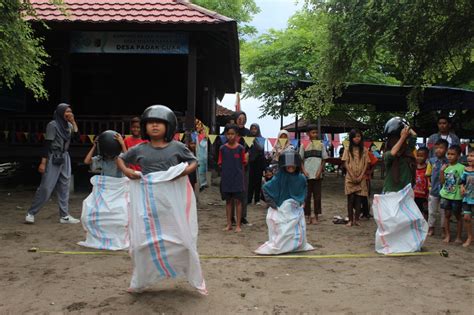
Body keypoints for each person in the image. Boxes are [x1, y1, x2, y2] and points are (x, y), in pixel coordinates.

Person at [25, 103, 80, 224]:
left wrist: (74, 121)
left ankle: (64, 216)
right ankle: (31, 213)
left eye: (70, 111)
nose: (69, 113)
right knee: (46, 187)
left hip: (65, 157)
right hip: (53, 156)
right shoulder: (53, 125)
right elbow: (47, 144)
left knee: (64, 186)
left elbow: (76, 138)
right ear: (60, 112)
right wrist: (43, 163)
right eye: (66, 111)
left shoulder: (69, 125)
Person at [117, 105, 197, 179]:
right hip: (148, 192)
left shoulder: (178, 147)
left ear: (168, 126)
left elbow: (194, 162)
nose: (154, 125)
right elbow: (120, 159)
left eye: (159, 122)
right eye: (150, 122)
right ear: (144, 128)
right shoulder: (139, 149)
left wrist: (182, 172)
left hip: (171, 191)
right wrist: (126, 171)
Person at [218, 124, 247, 232]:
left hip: (238, 178)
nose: (230, 136)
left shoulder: (240, 148)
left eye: (232, 134)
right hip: (226, 178)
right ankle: (229, 224)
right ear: (225, 135)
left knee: (238, 202)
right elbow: (220, 163)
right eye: (228, 134)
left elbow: (244, 163)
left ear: (237, 135)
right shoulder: (222, 148)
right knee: (228, 202)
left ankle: (238, 225)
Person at [299, 124, 328, 225]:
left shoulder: (321, 145)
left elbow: (324, 159)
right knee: (306, 196)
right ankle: (307, 215)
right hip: (307, 174)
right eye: (313, 132)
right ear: (308, 134)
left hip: (317, 175)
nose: (315, 134)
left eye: (316, 132)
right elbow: (301, 160)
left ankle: (316, 215)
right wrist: (304, 171)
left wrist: (320, 170)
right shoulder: (304, 145)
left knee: (317, 196)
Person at [341, 129, 370, 227]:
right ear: (351, 138)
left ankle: (356, 219)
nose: (357, 138)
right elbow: (345, 163)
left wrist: (362, 175)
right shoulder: (347, 149)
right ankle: (350, 220)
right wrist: (352, 175)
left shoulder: (365, 150)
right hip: (350, 178)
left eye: (359, 136)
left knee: (359, 199)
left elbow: (366, 163)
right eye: (355, 136)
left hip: (361, 177)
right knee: (350, 199)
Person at [383, 118, 417, 193]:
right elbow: (393, 153)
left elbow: (414, 135)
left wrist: (406, 127)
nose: (396, 142)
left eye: (397, 139)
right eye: (393, 140)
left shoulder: (407, 150)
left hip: (406, 192)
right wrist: (402, 138)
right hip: (391, 192)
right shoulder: (387, 155)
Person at [440, 145, 465, 244]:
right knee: (447, 215)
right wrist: (441, 171)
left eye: (453, 154)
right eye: (448, 154)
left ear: (458, 156)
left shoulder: (462, 167)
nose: (450, 156)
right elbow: (442, 182)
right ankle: (448, 235)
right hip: (446, 195)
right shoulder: (445, 167)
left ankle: (458, 237)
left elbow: (464, 181)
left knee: (458, 216)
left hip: (457, 196)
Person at [426, 139, 449, 236]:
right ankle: (431, 228)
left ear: (446, 149)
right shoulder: (431, 161)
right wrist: (429, 186)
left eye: (441, 148)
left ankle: (444, 229)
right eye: (436, 148)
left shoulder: (448, 162)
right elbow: (428, 175)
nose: (438, 150)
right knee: (432, 211)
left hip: (446, 192)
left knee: (444, 211)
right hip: (433, 190)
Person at [247, 123, 266, 206]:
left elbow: (260, 148)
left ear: (258, 129)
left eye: (255, 129)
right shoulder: (247, 138)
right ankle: (249, 199)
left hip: (259, 162)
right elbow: (245, 148)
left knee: (258, 181)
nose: (254, 130)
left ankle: (257, 200)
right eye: (252, 129)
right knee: (250, 181)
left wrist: (254, 140)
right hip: (250, 161)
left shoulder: (261, 139)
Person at [360, 149, 379, 219]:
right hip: (355, 176)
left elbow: (375, 161)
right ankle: (361, 211)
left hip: (365, 177)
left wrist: (370, 171)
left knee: (365, 195)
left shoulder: (366, 152)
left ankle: (366, 212)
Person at [460, 150, 474, 247]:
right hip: (467, 197)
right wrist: (462, 187)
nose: (469, 157)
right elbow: (462, 181)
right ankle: (470, 237)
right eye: (468, 155)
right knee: (466, 217)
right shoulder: (466, 169)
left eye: (472, 156)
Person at [413, 147, 430, 220]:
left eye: (422, 156)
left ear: (426, 157)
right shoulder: (413, 167)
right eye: (418, 155)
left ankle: (425, 226)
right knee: (415, 210)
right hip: (414, 194)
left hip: (424, 195)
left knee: (425, 211)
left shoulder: (428, 168)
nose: (419, 158)